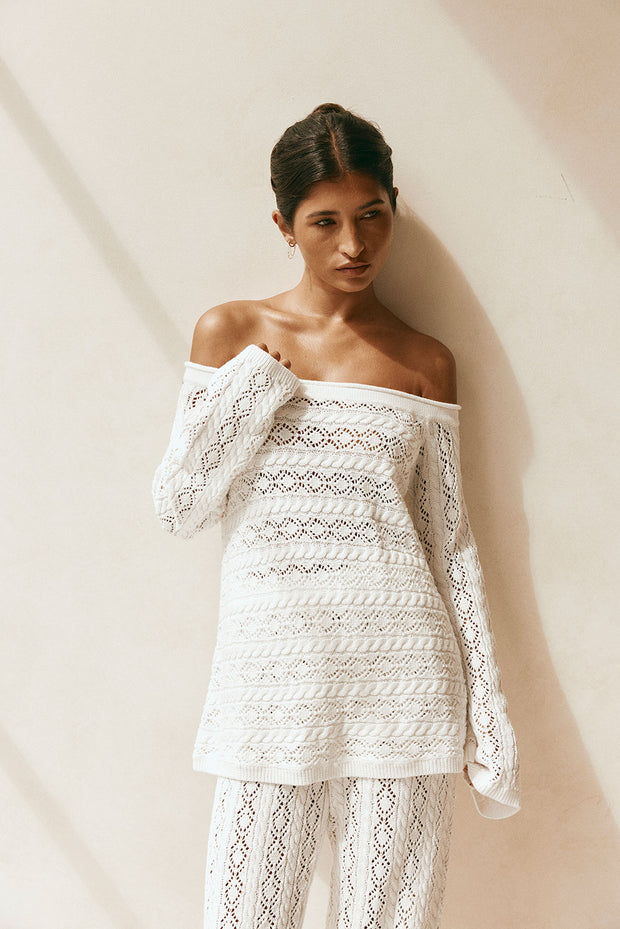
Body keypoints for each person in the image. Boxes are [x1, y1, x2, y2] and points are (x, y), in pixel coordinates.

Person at [153, 103, 520, 929]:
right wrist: (255, 386)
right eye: (325, 222)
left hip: (405, 681)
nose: (353, 244)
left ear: (394, 208)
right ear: (284, 225)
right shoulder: (232, 332)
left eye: (371, 215)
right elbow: (179, 503)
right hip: (271, 683)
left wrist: (488, 712)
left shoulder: (423, 361)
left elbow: (450, 542)